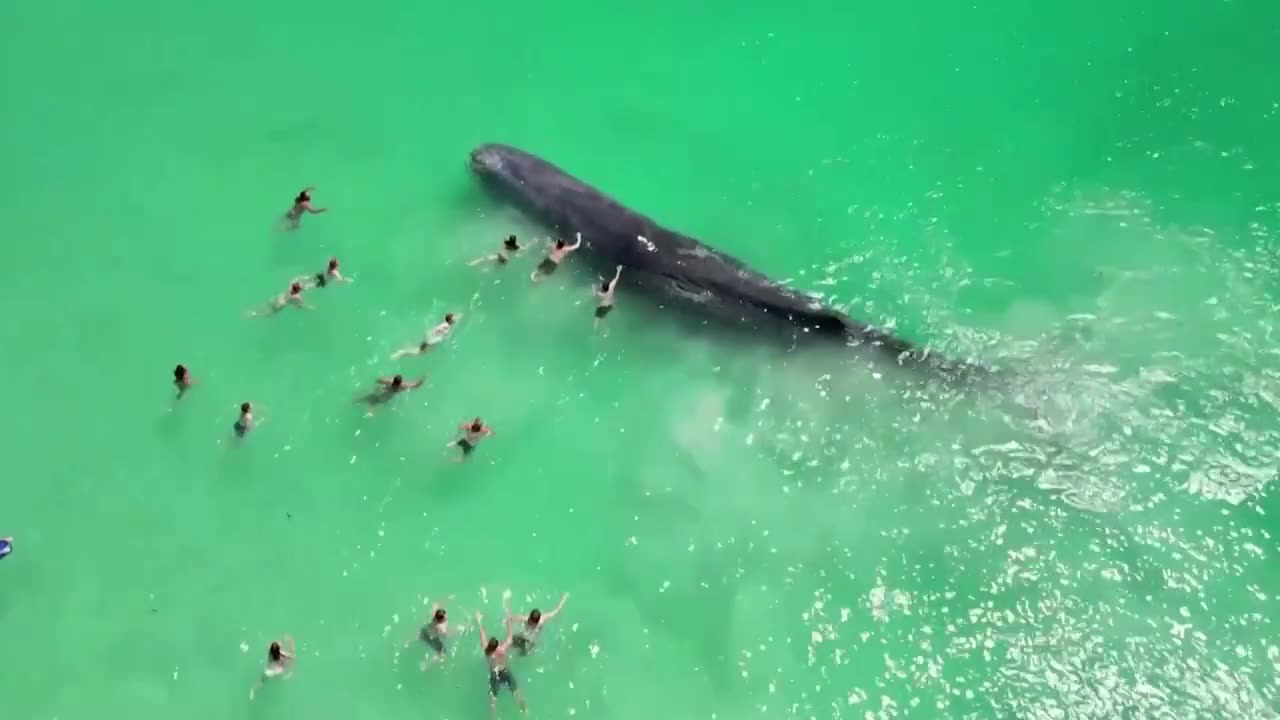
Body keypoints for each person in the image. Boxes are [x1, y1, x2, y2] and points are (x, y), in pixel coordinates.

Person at [476, 612, 527, 718]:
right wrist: (508, 621)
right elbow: (510, 636)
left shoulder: (486, 651)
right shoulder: (502, 649)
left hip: (494, 674)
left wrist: (479, 621)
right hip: (504, 671)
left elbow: (482, 635)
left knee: (493, 699)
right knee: (516, 692)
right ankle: (525, 711)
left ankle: (493, 717)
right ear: (497, 644)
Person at [504, 592, 569, 655]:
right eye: (529, 620)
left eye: (531, 622)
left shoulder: (542, 620)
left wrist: (563, 599)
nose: (529, 622)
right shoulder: (525, 619)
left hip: (532, 639)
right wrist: (509, 635)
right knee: (511, 643)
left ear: (536, 622)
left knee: (525, 652)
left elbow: (556, 610)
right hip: (523, 635)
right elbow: (509, 619)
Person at [406, 597, 454, 669]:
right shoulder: (442, 628)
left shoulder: (433, 617)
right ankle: (426, 665)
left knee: (419, 637)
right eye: (446, 616)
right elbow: (445, 635)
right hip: (432, 638)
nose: (447, 616)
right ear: (442, 619)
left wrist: (447, 599)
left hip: (425, 631)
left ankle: (407, 642)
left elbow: (435, 604)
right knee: (443, 654)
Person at [391, 313, 460, 359]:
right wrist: (430, 341)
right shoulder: (446, 325)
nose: (455, 319)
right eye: (453, 318)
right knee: (418, 352)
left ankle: (402, 352)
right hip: (430, 342)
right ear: (450, 320)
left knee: (418, 351)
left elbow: (436, 330)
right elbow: (437, 329)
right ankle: (401, 353)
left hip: (430, 341)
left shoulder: (446, 325)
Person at [357, 374, 424, 414]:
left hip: (384, 394)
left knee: (373, 400)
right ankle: (370, 410)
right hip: (384, 394)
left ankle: (368, 409)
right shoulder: (397, 385)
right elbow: (415, 385)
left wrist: (421, 381)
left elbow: (377, 380)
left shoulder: (394, 383)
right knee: (374, 401)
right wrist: (421, 380)